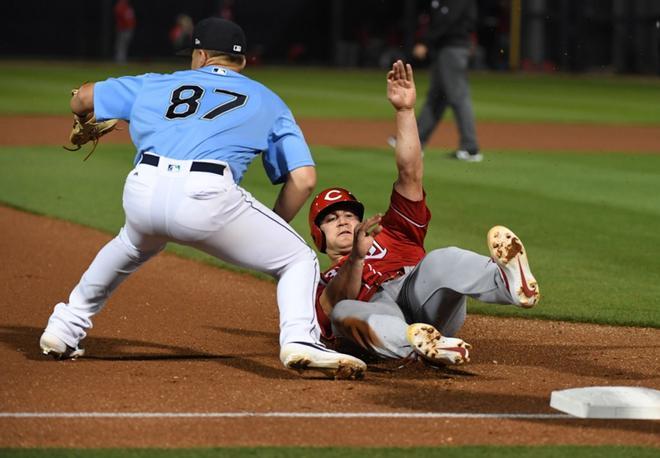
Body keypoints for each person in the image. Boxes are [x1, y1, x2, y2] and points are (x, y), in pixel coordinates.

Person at [39, 17, 366, 380]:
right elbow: (303, 180)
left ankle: (64, 327)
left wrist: (80, 109)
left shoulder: (155, 84)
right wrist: (271, 228)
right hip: (207, 195)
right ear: (241, 62)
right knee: (297, 257)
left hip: (142, 186)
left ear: (201, 54)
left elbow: (82, 98)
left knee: (132, 243)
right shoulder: (268, 100)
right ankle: (300, 340)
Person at [310, 60, 539, 365]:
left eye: (349, 215)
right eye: (330, 218)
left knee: (442, 258)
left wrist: (404, 112)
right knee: (344, 313)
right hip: (378, 313)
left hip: (422, 297)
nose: (342, 220)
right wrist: (356, 257)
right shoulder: (322, 280)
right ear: (319, 238)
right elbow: (336, 302)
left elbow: (410, 173)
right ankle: (419, 344)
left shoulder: (393, 231)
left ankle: (508, 283)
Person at [407, 0, 482, 162]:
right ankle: (415, 142)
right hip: (446, 49)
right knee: (437, 97)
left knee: (458, 97)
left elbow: (448, 20)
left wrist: (425, 41)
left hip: (453, 48)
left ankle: (470, 148)